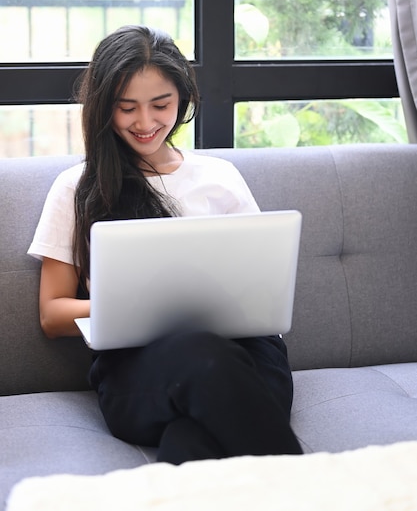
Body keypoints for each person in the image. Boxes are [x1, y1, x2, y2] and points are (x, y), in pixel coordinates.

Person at [28, 25, 302, 463]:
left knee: (194, 440)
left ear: (183, 100)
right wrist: (141, 307)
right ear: (103, 108)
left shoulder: (220, 177)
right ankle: (314, 491)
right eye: (126, 108)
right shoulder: (77, 189)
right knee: (200, 352)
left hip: (248, 356)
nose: (145, 122)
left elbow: (263, 286)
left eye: (161, 105)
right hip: (137, 370)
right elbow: (52, 313)